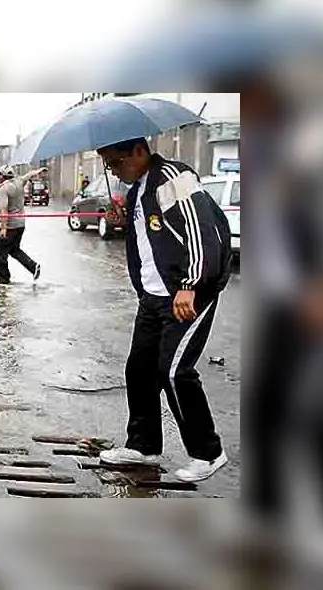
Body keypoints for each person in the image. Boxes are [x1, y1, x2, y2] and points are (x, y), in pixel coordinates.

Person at [94, 137, 233, 482]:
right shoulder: (137, 190)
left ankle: (208, 453)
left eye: (116, 162)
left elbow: (202, 231)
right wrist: (125, 222)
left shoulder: (174, 178)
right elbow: (157, 237)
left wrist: (191, 285)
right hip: (153, 298)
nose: (114, 170)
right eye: (108, 165)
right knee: (139, 370)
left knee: (174, 372)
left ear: (140, 152)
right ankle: (143, 446)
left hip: (186, 293)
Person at [0, 165, 46, 284]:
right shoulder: (19, 182)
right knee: (14, 250)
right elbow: (29, 174)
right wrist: (38, 171)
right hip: (21, 225)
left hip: (10, 226)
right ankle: (33, 267)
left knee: (2, 254)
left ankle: (3, 280)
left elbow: (4, 209)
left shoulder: (4, 189)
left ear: (3, 176)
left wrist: (3, 228)